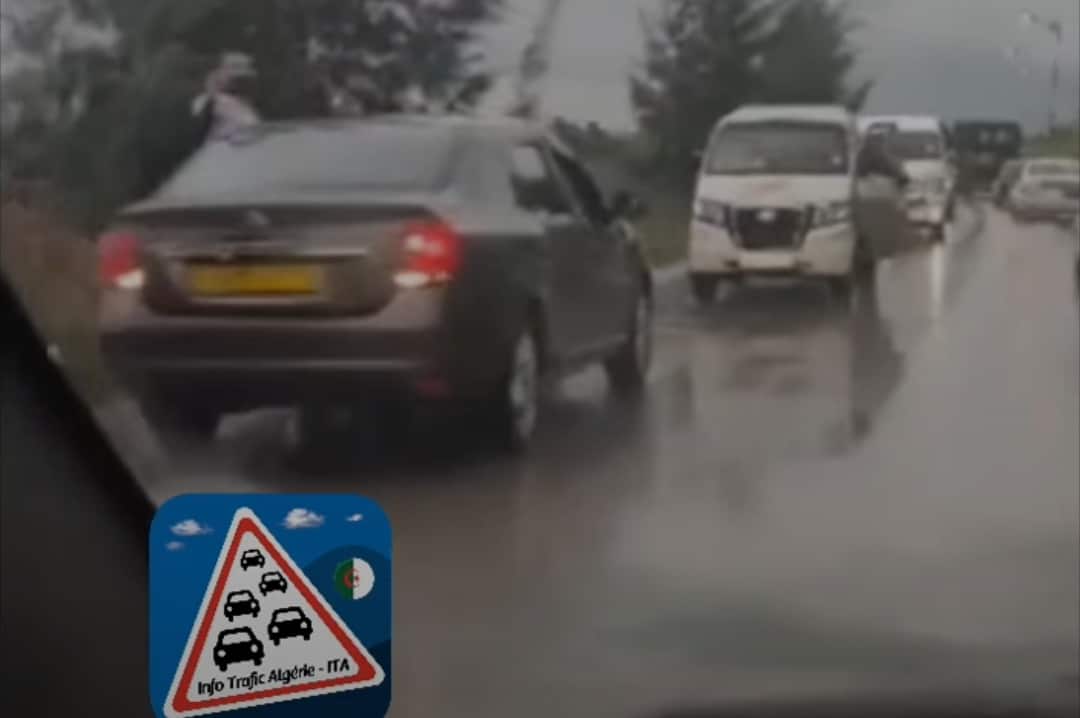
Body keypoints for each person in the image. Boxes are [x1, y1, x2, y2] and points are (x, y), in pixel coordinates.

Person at [192, 52, 261, 141]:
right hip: (222, 146)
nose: (240, 83)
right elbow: (201, 115)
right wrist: (212, 90)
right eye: (236, 79)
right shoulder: (210, 100)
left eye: (244, 80)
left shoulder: (243, 104)